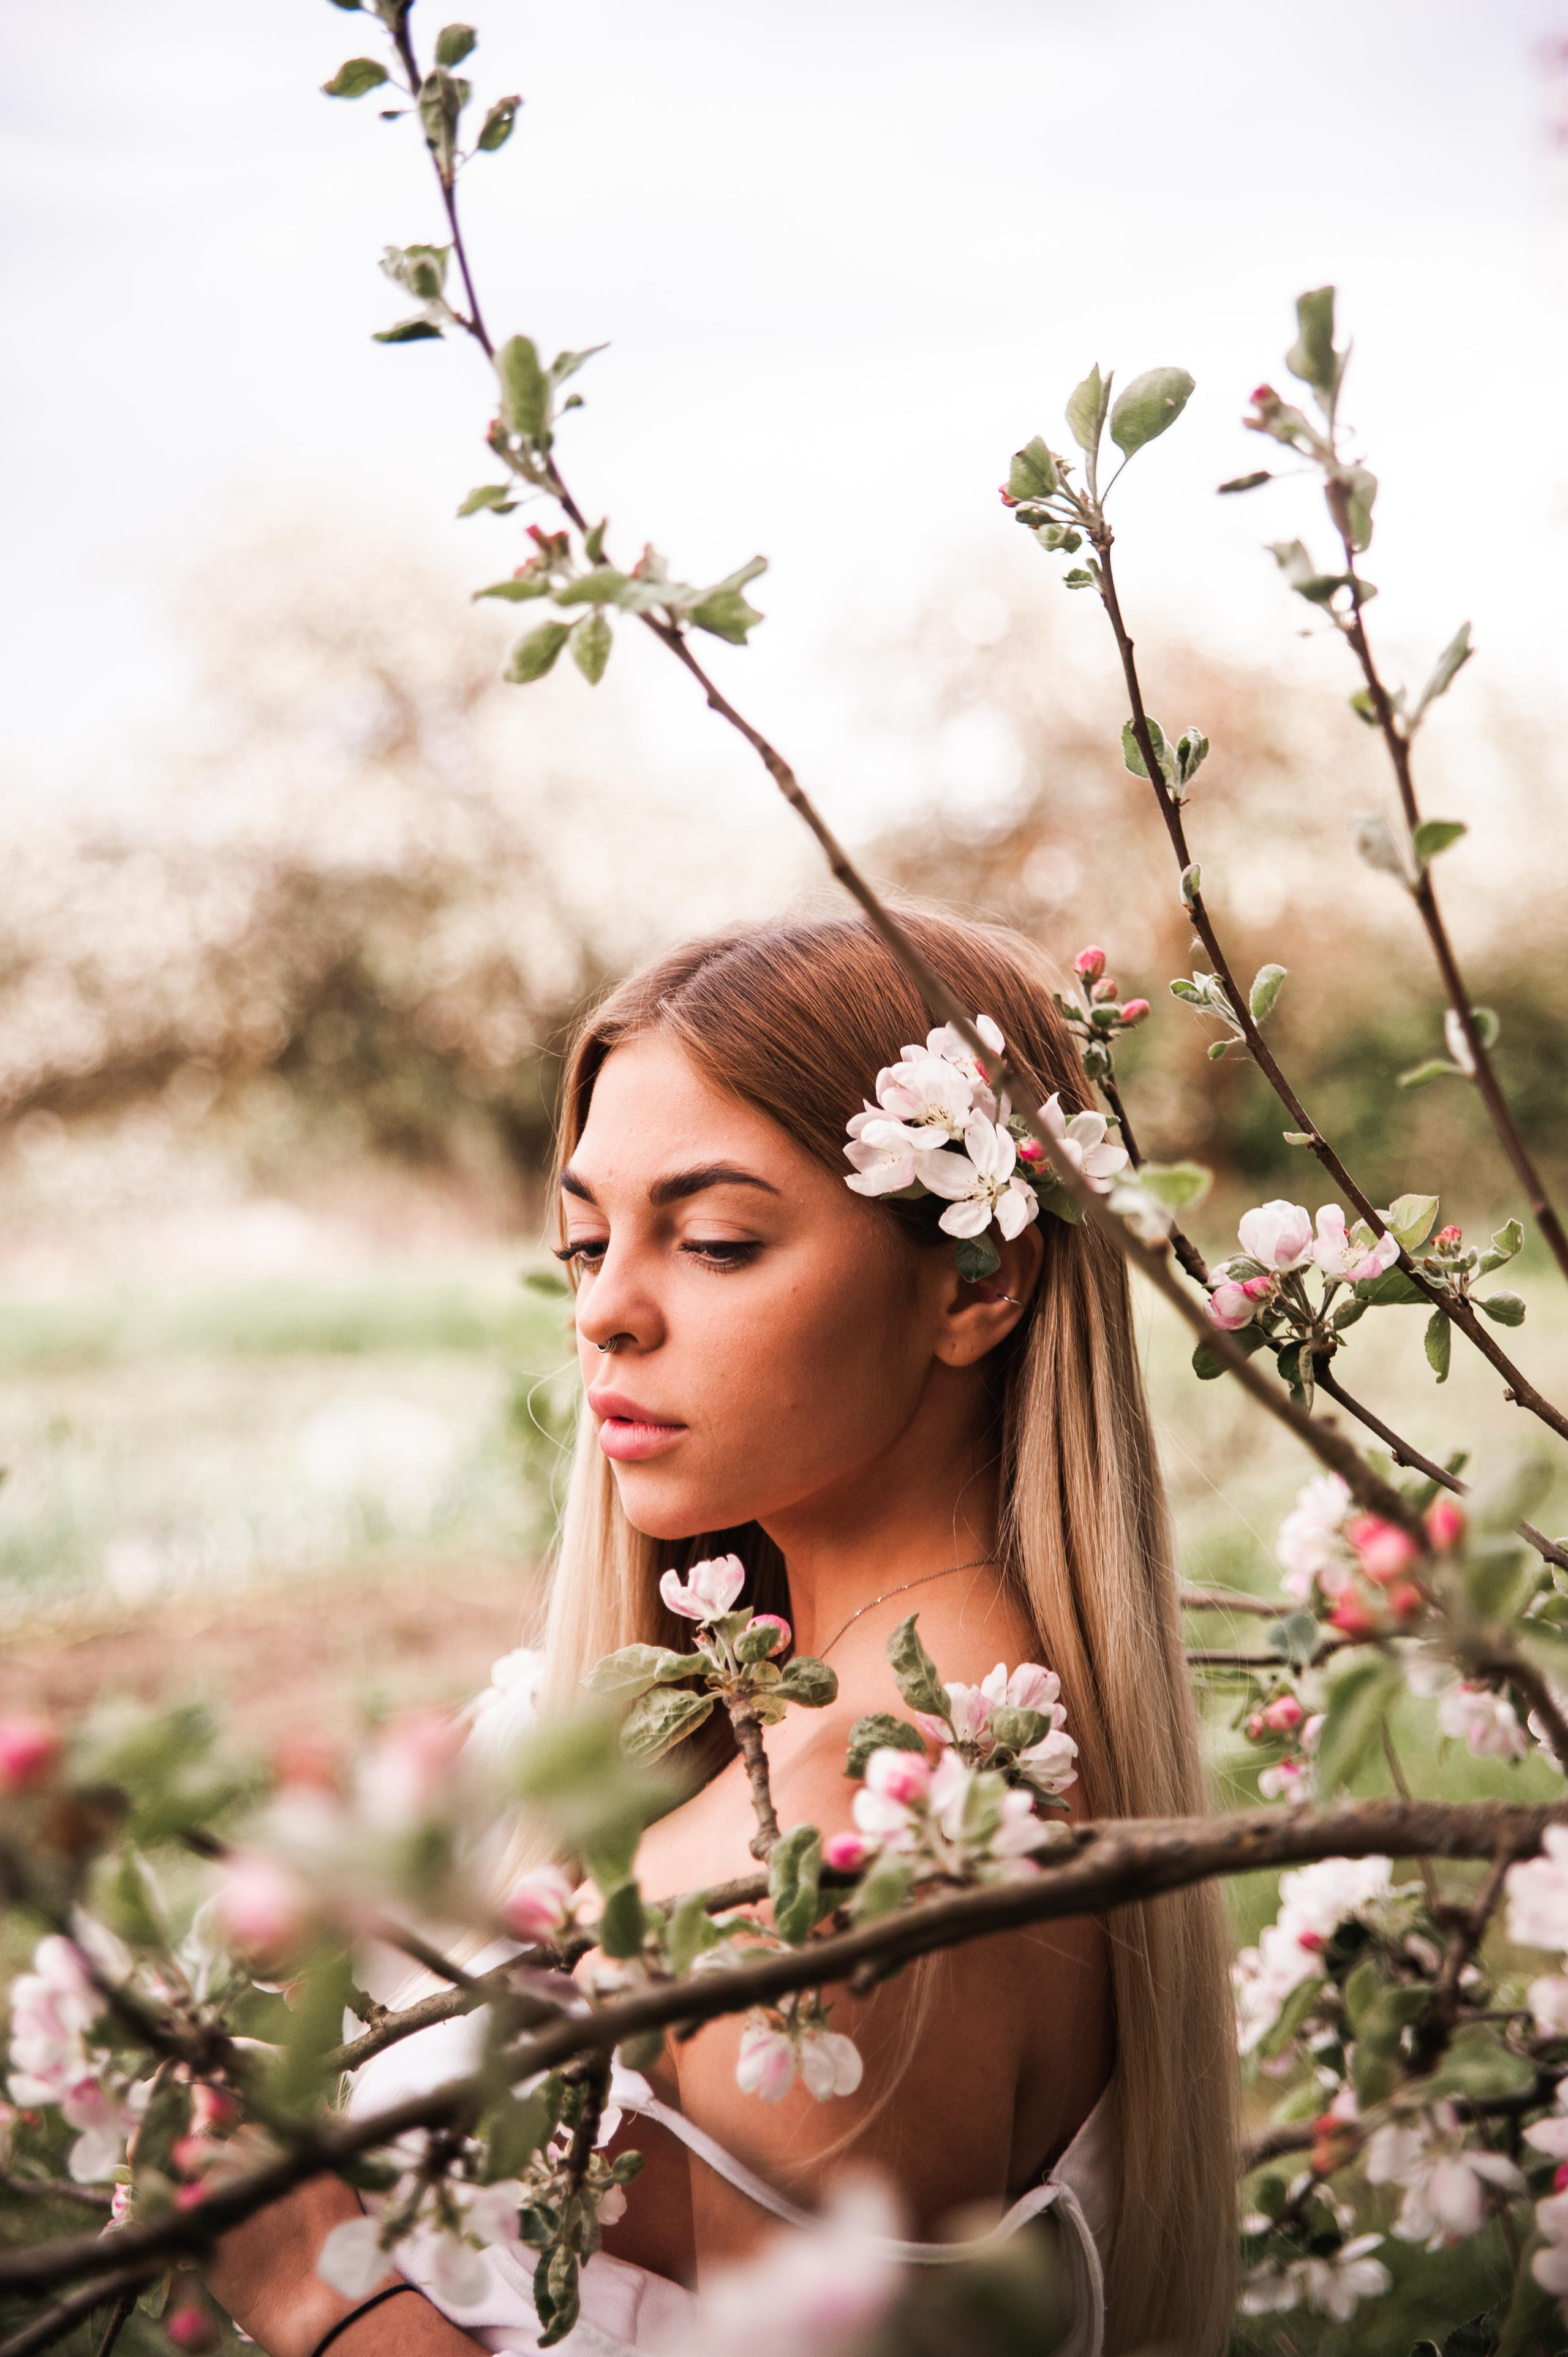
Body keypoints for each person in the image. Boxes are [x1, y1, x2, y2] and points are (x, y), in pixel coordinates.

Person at [206, 908, 1235, 2357]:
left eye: (713, 1240)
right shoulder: (800, 1732)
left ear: (975, 1281)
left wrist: (326, 2296)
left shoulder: (855, 1843)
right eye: (584, 1240)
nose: (607, 1312)